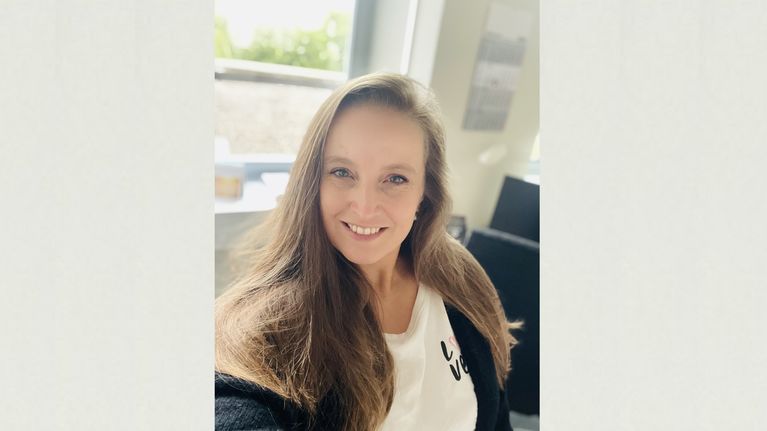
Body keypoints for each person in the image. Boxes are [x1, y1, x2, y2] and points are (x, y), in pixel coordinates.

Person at [215, 72, 521, 431]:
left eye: (395, 178)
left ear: (425, 193)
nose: (364, 206)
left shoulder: (458, 275)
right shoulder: (267, 331)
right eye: (342, 172)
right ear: (313, 182)